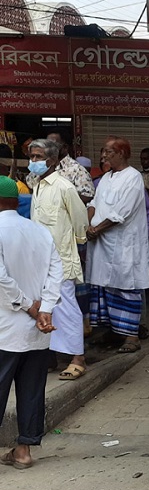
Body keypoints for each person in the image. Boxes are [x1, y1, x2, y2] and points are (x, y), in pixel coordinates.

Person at [0, 175, 62, 470]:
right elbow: (55, 273)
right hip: (39, 331)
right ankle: (23, 451)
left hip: (6, 328)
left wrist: (29, 308)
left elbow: (1, 279)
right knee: (32, 390)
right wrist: (45, 309)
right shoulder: (40, 232)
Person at [27, 139, 90, 380]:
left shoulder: (64, 186)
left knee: (66, 306)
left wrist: (76, 244)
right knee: (45, 305)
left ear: (51, 161)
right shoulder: (38, 185)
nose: (33, 161)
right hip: (39, 259)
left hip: (61, 257)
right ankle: (50, 356)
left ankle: (77, 358)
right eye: (32, 157)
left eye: (37, 157)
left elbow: (80, 220)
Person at [86, 137, 149, 354]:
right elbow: (94, 203)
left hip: (123, 244)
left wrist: (96, 229)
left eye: (108, 152)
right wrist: (89, 224)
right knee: (104, 287)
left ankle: (131, 336)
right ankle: (113, 331)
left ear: (121, 153)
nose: (103, 156)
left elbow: (121, 212)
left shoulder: (133, 178)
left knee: (125, 288)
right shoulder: (106, 178)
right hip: (101, 244)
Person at [25, 131, 94, 204]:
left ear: (65, 147)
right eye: (47, 145)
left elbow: (88, 196)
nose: (49, 148)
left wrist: (60, 199)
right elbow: (29, 185)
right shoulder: (41, 165)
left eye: (53, 145)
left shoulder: (77, 170)